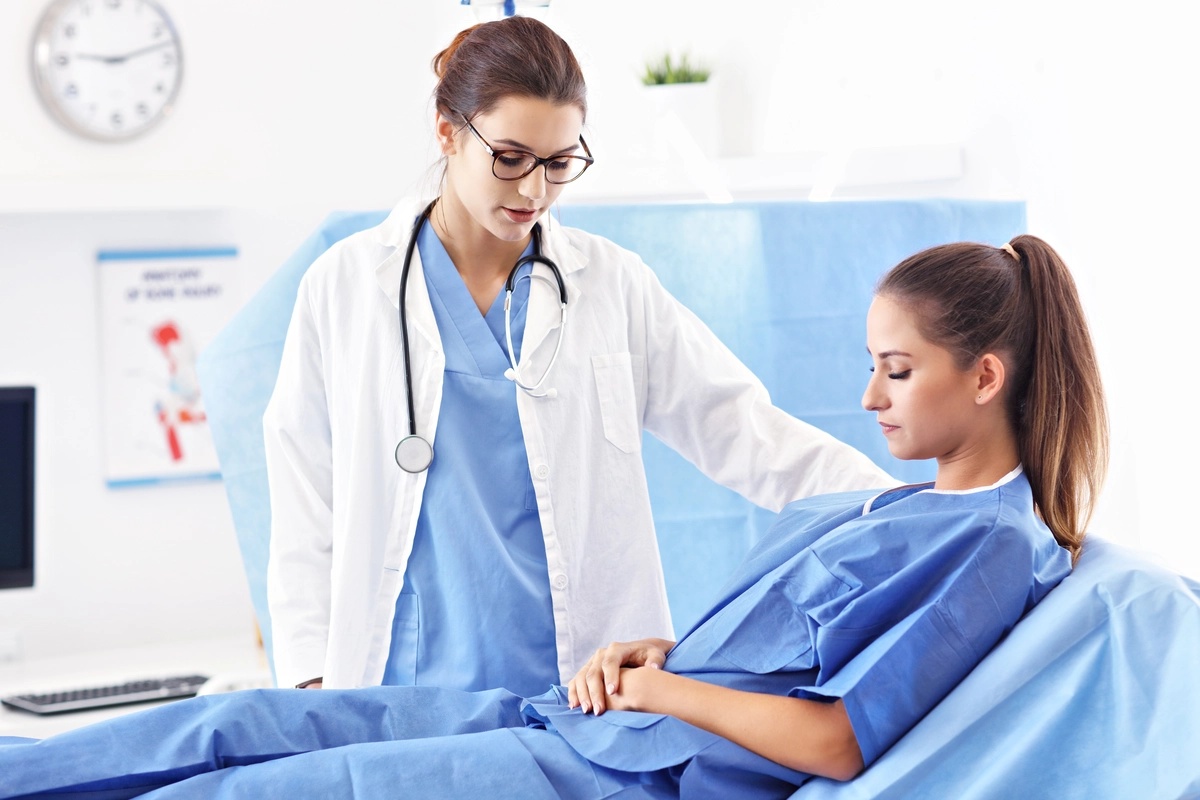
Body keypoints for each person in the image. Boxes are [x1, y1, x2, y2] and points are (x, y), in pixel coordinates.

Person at [0, 234, 1108, 799]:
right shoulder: (897, 506)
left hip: (627, 770)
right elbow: (787, 661)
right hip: (565, 714)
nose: (868, 397)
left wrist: (663, 688)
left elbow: (837, 733)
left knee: (251, 791)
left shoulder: (992, 545)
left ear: (985, 374)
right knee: (231, 724)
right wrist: (662, 653)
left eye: (895, 369)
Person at [263, 15, 893, 695]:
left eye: (560, 164)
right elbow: (304, 488)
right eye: (510, 158)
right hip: (397, 679)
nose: (534, 191)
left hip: (580, 682)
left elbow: (743, 429)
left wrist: (912, 512)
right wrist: (310, 680)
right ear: (448, 132)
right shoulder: (348, 284)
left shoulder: (611, 284)